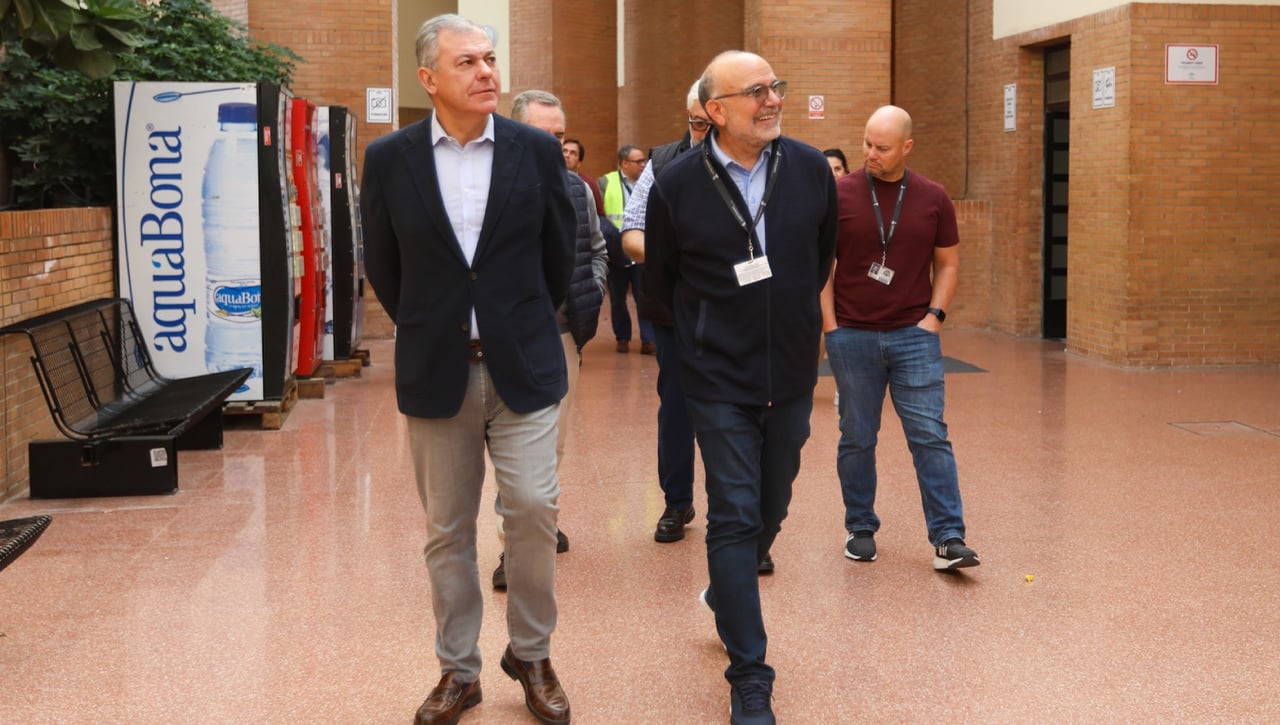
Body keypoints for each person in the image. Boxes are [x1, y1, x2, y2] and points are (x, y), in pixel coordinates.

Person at [359, 14, 574, 725]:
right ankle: (460, 671)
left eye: (490, 58)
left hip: (525, 369)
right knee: (447, 529)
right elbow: (385, 266)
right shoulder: (390, 159)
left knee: (534, 512)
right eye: (467, 63)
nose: (486, 72)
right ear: (429, 79)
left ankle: (532, 653)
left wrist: (520, 318)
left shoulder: (535, 153)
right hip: (438, 368)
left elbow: (558, 257)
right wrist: (433, 322)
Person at [645, 51, 837, 725]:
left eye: (776, 86)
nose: (772, 99)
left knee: (770, 502)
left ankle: (729, 588)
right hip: (717, 377)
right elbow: (661, 284)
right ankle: (750, 673)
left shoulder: (811, 169)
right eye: (756, 91)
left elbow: (820, 257)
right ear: (716, 110)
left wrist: (786, 324)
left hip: (789, 372)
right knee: (732, 511)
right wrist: (705, 342)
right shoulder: (676, 184)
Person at [820, 104, 980, 573]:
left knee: (930, 436)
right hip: (852, 335)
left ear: (906, 147)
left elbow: (947, 262)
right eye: (867, 143)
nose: (870, 153)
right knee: (857, 436)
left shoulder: (933, 197)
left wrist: (935, 317)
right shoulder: (840, 194)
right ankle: (860, 527)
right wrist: (831, 326)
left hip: (915, 336)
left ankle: (949, 538)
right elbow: (822, 266)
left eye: (881, 147)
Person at [622, 81, 772, 574]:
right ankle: (676, 501)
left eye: (709, 125)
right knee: (680, 406)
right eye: (696, 123)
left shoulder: (764, 160)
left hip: (750, 312)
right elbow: (631, 232)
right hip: (678, 313)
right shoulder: (665, 165)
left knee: (747, 414)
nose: (702, 132)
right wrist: (686, 267)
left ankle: (744, 523)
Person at [490, 89, 609, 591]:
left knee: (549, 448)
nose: (556, 146)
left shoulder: (577, 190)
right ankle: (513, 548)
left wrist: (592, 290)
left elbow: (598, 248)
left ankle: (539, 524)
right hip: (498, 340)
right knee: (508, 448)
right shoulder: (490, 184)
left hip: (559, 337)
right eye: (545, 135)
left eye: (561, 136)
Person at [599, 145, 655, 354]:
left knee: (644, 296)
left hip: (640, 248)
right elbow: (602, 215)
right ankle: (622, 337)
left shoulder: (650, 182)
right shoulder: (606, 182)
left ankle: (648, 340)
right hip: (616, 252)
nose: (643, 165)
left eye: (644, 161)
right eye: (638, 161)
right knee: (617, 298)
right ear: (624, 164)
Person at [562, 137, 604, 217]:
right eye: (564, 151)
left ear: (579, 163)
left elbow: (599, 216)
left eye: (573, 153)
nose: (567, 155)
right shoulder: (548, 179)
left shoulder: (588, 183)